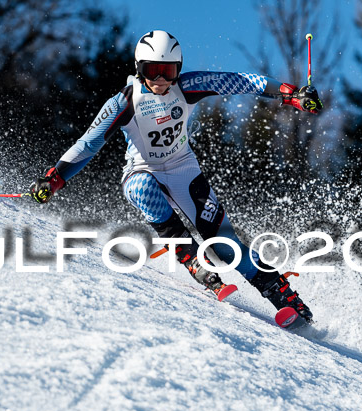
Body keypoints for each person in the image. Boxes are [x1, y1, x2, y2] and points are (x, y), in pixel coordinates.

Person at [30, 30, 323, 324]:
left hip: (184, 169)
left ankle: (285, 298)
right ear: (138, 69)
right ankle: (191, 257)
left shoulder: (187, 86)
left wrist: (289, 93)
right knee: (144, 189)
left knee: (224, 245)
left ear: (178, 70)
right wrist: (55, 178)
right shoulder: (125, 101)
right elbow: (88, 143)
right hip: (141, 169)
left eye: (167, 71)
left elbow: (240, 81)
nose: (160, 80)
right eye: (151, 71)